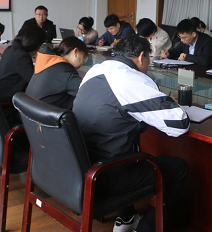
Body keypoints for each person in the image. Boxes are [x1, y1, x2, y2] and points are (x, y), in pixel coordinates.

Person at [73, 35, 189, 232]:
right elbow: (180, 124)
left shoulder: (97, 69)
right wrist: (168, 103)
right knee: (178, 168)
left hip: (83, 166)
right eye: (149, 59)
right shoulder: (130, 78)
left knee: (123, 141)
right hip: (108, 174)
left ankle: (126, 218)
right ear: (142, 56)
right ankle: (145, 228)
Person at [26, 36, 88, 110]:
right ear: (75, 51)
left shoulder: (47, 62)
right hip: (45, 115)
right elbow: (88, 92)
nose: (83, 62)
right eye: (84, 57)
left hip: (29, 113)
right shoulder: (65, 71)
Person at [0, 24, 47, 101]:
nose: (39, 49)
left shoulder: (11, 49)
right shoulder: (21, 57)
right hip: (6, 101)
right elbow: (35, 83)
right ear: (34, 43)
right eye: (40, 45)